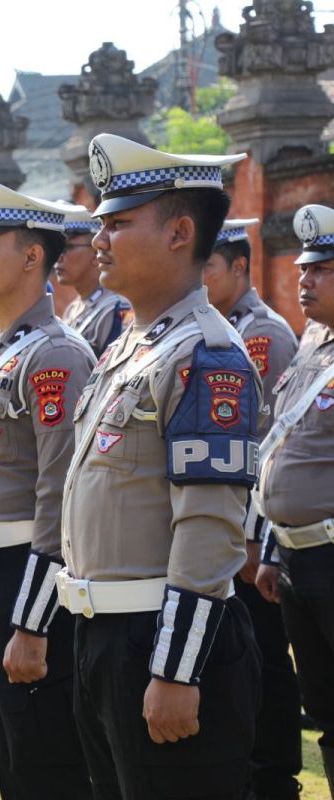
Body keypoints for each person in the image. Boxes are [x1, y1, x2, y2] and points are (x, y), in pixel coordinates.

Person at [60, 133, 262, 799]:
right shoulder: (131, 349)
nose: (101, 240)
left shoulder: (206, 356)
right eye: (100, 225)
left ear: (180, 232)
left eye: (119, 223)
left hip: (160, 640)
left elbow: (207, 527)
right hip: (104, 637)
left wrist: (177, 670)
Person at [0, 173, 95, 799]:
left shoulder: (55, 355)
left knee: (44, 760)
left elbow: (58, 497)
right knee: (9, 752)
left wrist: (34, 622)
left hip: (26, 578)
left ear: (33, 256)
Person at [203, 217, 304, 800]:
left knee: (264, 656)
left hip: (247, 535)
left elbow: (267, 445)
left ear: (240, 267)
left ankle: (273, 774)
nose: (201, 276)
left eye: (210, 265)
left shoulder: (261, 335)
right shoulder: (213, 328)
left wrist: (250, 537)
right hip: (217, 532)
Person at [256, 204, 334, 799]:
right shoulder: (310, 342)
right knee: (326, 712)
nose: (303, 279)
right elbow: (281, 450)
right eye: (304, 268)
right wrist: (268, 550)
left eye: (322, 269)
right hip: (295, 560)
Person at [56, 207, 131, 357]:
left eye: (67, 247)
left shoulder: (114, 309)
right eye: (57, 248)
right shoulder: (72, 308)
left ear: (95, 251)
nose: (59, 257)